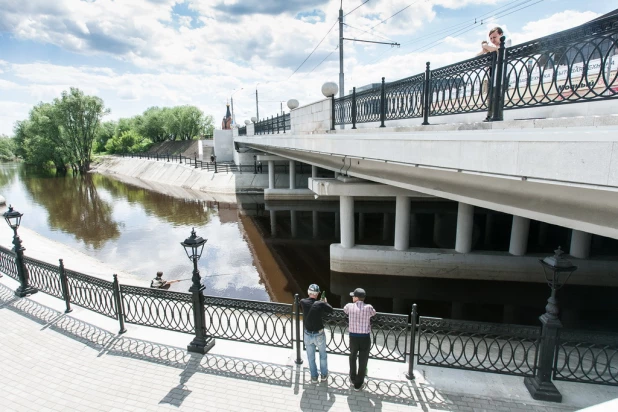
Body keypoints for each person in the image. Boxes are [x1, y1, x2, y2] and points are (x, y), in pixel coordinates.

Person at [343, 287, 376, 391]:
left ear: (356, 298)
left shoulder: (349, 306)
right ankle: (359, 383)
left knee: (352, 357)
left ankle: (352, 378)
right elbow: (374, 313)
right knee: (363, 360)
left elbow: (345, 311)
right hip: (365, 338)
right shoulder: (369, 307)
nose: (352, 297)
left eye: (353, 296)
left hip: (353, 337)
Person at [300, 284, 333, 384]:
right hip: (319, 334)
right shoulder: (320, 304)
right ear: (318, 294)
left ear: (308, 292)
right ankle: (323, 376)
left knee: (311, 357)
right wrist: (325, 302)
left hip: (307, 334)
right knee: (323, 356)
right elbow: (331, 310)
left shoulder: (302, 301)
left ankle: (314, 377)